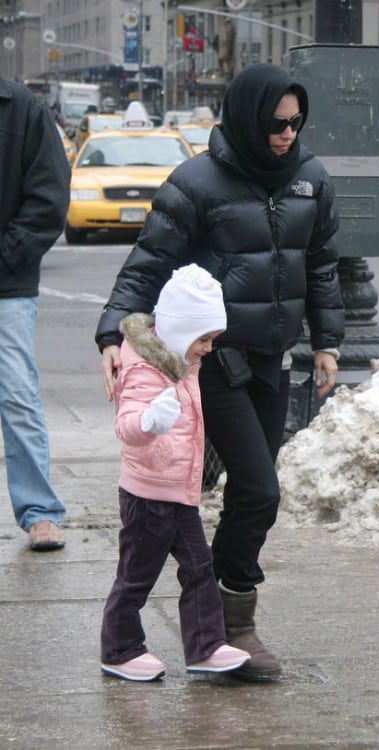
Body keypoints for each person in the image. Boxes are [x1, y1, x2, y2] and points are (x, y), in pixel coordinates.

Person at [96, 62, 345, 681]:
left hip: (273, 361)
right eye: (274, 123)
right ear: (246, 119)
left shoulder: (310, 179)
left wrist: (327, 341)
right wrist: (111, 331)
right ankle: (234, 625)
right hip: (214, 364)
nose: (287, 134)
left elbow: (321, 265)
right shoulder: (196, 183)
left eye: (296, 122)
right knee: (260, 489)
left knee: (247, 496)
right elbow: (146, 265)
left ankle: (215, 624)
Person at [101, 264, 250, 681]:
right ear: (182, 331)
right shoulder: (147, 369)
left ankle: (204, 646)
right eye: (204, 338)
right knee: (136, 576)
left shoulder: (180, 360)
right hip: (148, 494)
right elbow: (126, 425)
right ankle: (119, 649)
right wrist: (150, 420)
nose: (208, 348)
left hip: (178, 492)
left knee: (200, 568)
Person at [0, 76, 70, 551]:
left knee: (17, 395)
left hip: (6, 284)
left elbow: (48, 201)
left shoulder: (22, 109)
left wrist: (4, 258)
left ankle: (40, 512)